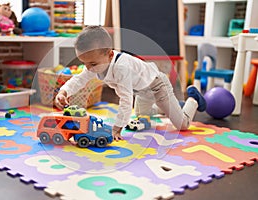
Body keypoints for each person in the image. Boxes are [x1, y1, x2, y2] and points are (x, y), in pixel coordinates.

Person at [55, 26, 206, 141]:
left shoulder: (121, 68)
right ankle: (172, 106)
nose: (88, 68)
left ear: (110, 54)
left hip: (158, 86)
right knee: (142, 118)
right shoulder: (94, 64)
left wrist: (117, 128)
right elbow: (78, 79)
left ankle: (193, 100)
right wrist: (64, 92)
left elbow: (126, 100)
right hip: (142, 92)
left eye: (92, 64)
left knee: (182, 125)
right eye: (84, 63)